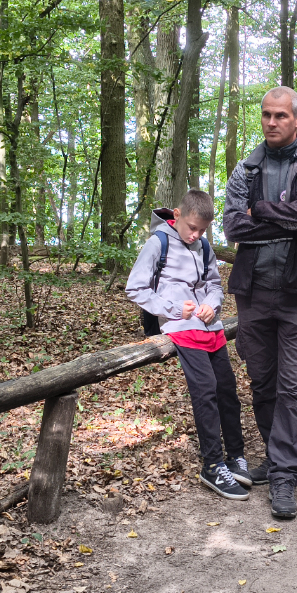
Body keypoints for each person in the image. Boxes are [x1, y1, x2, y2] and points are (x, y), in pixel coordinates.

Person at [223, 86, 297, 520]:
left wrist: (263, 213)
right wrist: (285, 217)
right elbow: (234, 226)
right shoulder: (246, 168)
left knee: (293, 386)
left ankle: (286, 473)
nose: (272, 122)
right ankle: (274, 457)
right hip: (253, 292)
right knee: (263, 381)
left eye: (281, 116)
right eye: (267, 115)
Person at [126, 189, 249, 500]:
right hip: (180, 327)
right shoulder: (159, 242)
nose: (195, 235)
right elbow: (135, 288)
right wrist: (171, 308)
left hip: (209, 326)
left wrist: (211, 303)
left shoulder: (204, 246)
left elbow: (214, 284)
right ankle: (213, 464)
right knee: (206, 391)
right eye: (192, 228)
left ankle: (235, 457)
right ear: (177, 216)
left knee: (227, 391)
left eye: (202, 230)